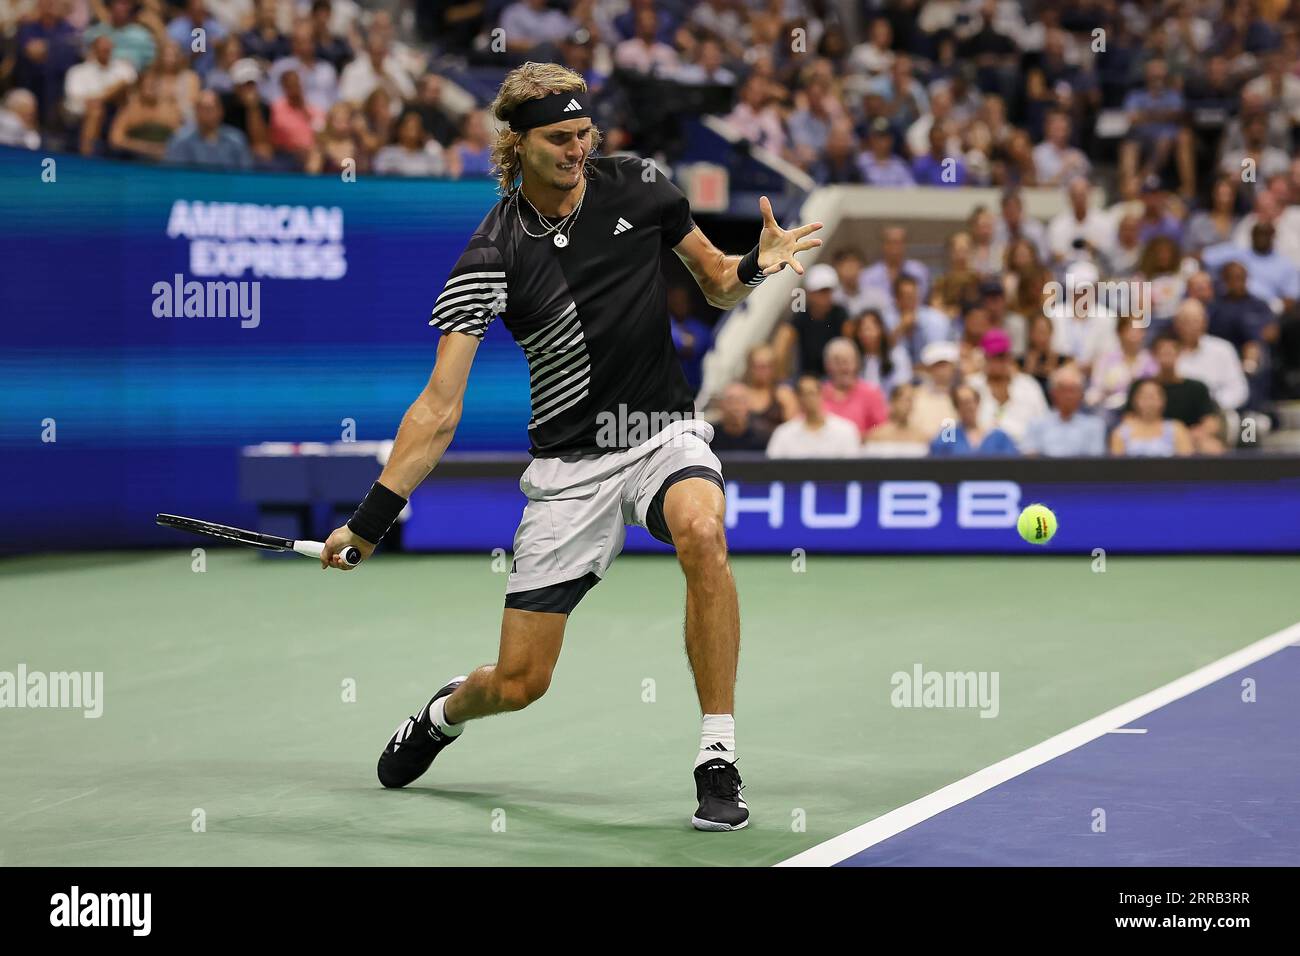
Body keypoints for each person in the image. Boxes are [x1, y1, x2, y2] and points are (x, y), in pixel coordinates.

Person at [319, 63, 823, 832]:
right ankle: (443, 713)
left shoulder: (640, 183)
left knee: (702, 529)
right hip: (569, 470)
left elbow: (717, 282)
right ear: (516, 144)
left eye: (584, 133)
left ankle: (716, 756)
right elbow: (439, 407)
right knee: (522, 681)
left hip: (661, 433)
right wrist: (369, 521)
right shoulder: (493, 252)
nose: (577, 150)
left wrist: (755, 263)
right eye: (559, 138)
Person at [966, 328, 1048, 445]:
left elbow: (1043, 423)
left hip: (1023, 452)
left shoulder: (1029, 385)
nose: (997, 361)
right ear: (985, 357)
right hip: (982, 453)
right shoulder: (971, 385)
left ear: (1009, 357)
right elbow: (958, 424)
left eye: (1001, 356)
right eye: (993, 356)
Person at [773, 263, 847, 379]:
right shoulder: (801, 316)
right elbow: (781, 345)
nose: (825, 296)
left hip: (837, 378)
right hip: (806, 379)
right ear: (810, 293)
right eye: (821, 291)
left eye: (828, 291)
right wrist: (782, 378)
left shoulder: (841, 315)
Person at [766, 375, 861, 458]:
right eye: (803, 394)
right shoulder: (783, 433)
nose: (809, 399)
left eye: (812, 393)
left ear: (821, 394)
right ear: (798, 398)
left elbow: (853, 470)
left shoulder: (846, 430)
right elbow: (772, 469)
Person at [1020, 365, 1106, 456]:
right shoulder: (1036, 424)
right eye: (1063, 389)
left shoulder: (1095, 426)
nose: (1068, 396)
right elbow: (1029, 458)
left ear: (1081, 394)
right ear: (1053, 393)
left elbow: (1095, 463)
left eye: (1073, 390)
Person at [820, 338, 887, 439]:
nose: (844, 368)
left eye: (848, 362)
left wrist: (852, 439)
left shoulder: (871, 393)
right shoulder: (818, 394)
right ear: (827, 366)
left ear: (857, 364)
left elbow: (883, 429)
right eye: (837, 362)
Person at [928, 384, 1019, 456]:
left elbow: (1011, 466)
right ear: (956, 407)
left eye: (971, 401)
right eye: (962, 403)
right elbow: (937, 464)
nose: (968, 407)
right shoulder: (948, 435)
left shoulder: (998, 436)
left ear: (978, 403)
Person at [1111, 378, 1193, 456]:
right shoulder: (1120, 433)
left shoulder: (1177, 429)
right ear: (1135, 400)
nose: (1149, 402)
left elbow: (1188, 464)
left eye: (1153, 397)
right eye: (1144, 397)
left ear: (1163, 400)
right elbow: (1116, 467)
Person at [909, 341, 960, 440]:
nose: (941, 371)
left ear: (953, 367)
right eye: (937, 366)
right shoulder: (916, 395)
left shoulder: (961, 395)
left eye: (945, 365)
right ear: (929, 369)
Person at [862, 383, 930, 458]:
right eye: (905, 400)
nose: (909, 405)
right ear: (893, 402)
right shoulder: (875, 436)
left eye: (911, 400)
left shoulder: (922, 437)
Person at [709, 383, 769, 453]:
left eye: (740, 400)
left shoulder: (762, 438)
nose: (735, 406)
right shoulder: (709, 437)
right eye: (730, 401)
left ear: (749, 404)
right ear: (721, 404)